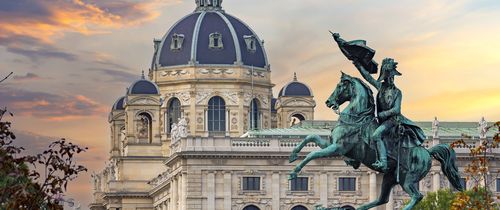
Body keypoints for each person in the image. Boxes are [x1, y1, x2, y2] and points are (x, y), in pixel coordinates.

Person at [353, 58, 425, 171]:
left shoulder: (397, 92)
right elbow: (368, 77)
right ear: (385, 77)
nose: (391, 79)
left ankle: (383, 161)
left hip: (394, 121)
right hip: (382, 121)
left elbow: (396, 110)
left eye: (393, 76)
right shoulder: (381, 87)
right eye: (389, 76)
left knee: (376, 135)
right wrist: (357, 64)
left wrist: (383, 114)